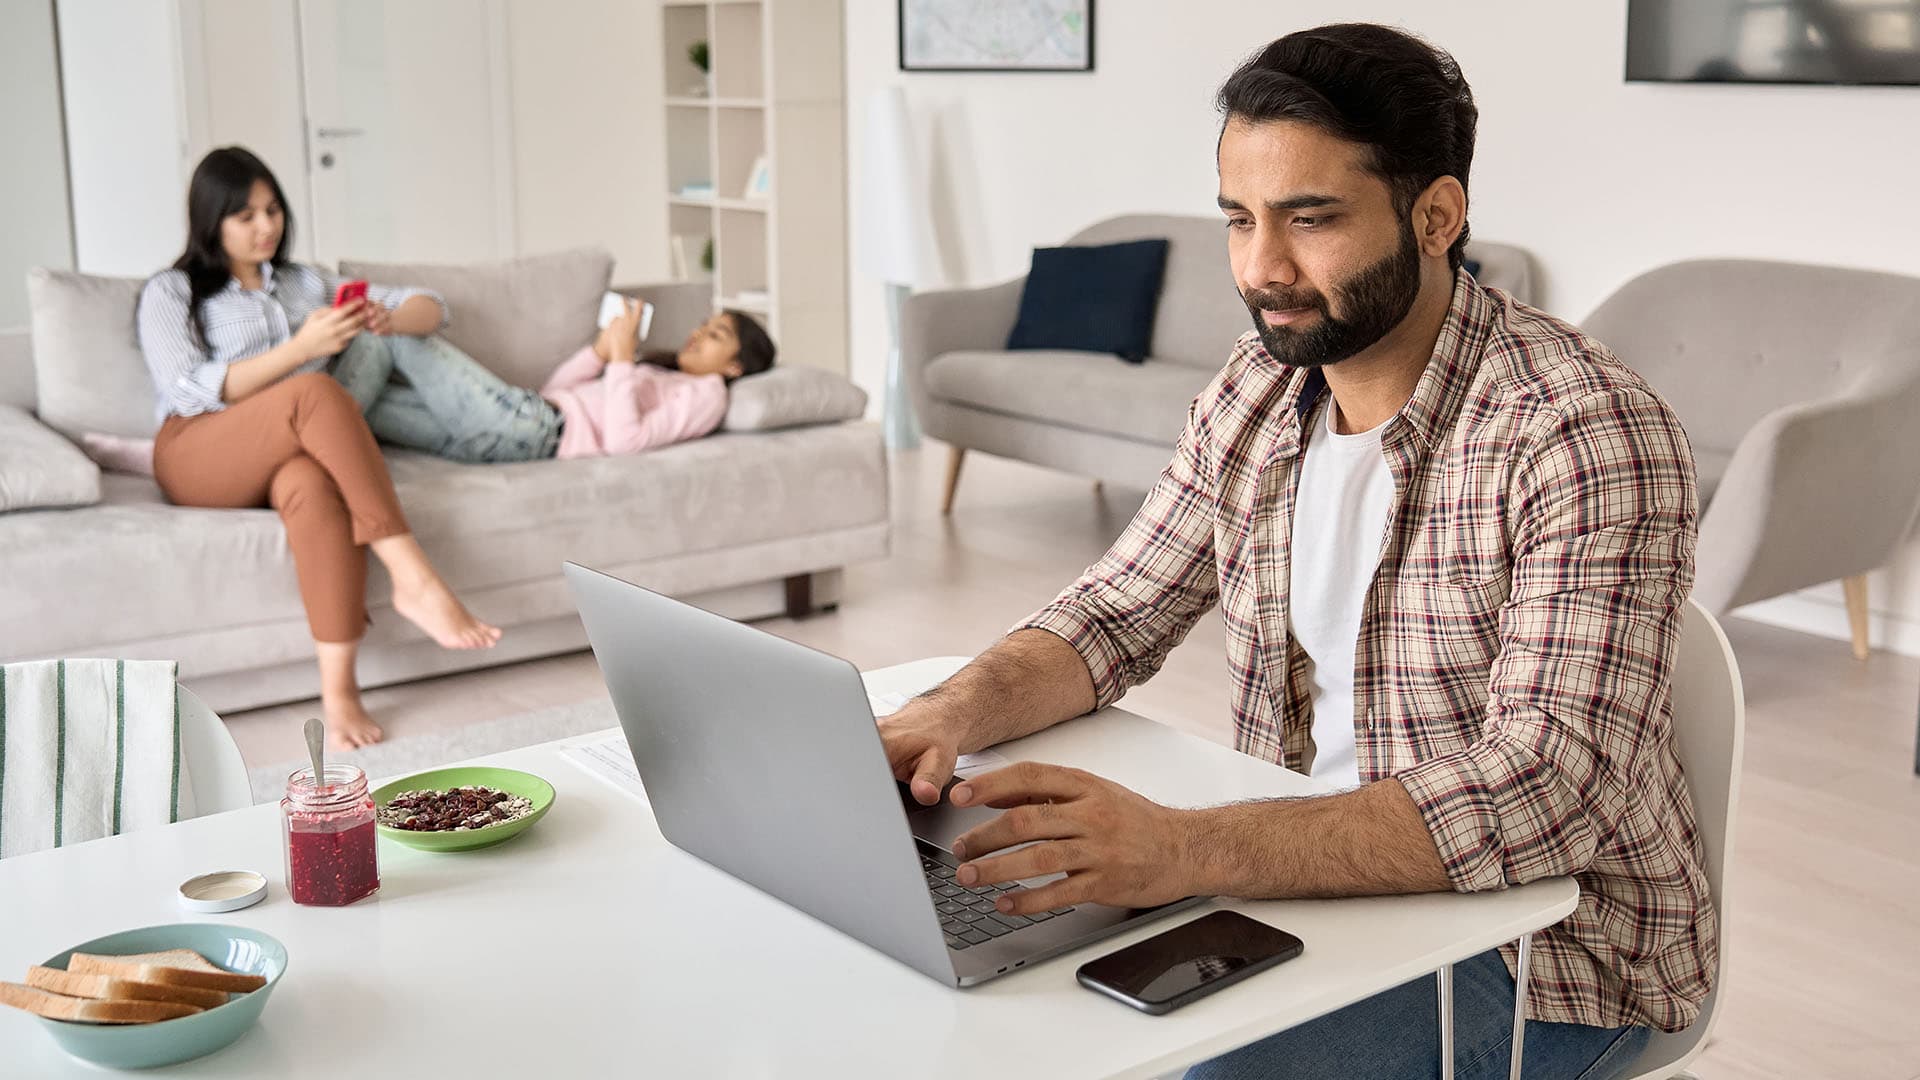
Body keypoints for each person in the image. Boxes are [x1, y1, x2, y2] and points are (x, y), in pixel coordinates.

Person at [877, 24, 1711, 1080]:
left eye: (1311, 220)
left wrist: (1180, 848)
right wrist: (944, 714)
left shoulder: (1581, 432)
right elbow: (1117, 611)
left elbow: (1552, 789)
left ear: (1437, 215)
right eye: (1240, 221)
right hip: (1304, 880)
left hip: (1544, 954)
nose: (1263, 270)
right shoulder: (1260, 386)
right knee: (970, 1014)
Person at [137, 146, 505, 750]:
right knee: (313, 390)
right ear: (211, 221)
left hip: (287, 451)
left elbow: (434, 307)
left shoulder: (308, 282)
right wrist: (301, 348)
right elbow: (185, 388)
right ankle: (415, 577)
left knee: (311, 482)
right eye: (246, 216)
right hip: (198, 451)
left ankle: (340, 694)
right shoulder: (173, 290)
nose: (266, 227)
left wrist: (388, 319)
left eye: (273, 210)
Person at [537, 297, 776, 458]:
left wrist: (622, 358)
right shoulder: (663, 372)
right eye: (703, 326)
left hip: (550, 428)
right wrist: (599, 351)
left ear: (735, 367)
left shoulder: (707, 395)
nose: (698, 333)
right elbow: (549, 392)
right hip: (535, 408)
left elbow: (623, 442)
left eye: (714, 335)